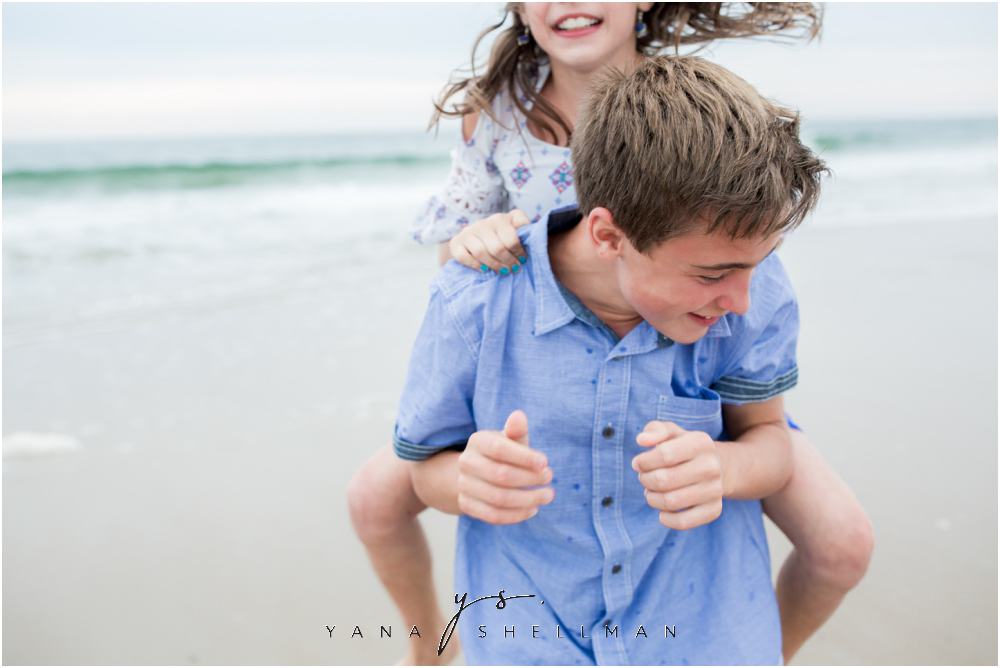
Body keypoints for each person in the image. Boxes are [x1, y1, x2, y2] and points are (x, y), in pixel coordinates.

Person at [347, 4, 873, 664]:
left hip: (677, 342)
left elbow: (745, 220)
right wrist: (472, 241)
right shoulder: (499, 112)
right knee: (376, 495)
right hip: (532, 345)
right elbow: (455, 255)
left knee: (843, 540)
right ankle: (431, 647)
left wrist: (730, 459)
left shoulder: (694, 104)